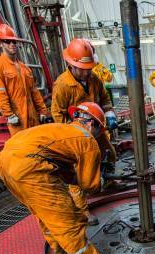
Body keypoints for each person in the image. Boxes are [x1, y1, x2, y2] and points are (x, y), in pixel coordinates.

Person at [0, 102, 124, 254]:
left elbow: (65, 173)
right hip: (30, 169)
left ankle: (60, 251)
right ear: (93, 125)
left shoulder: (61, 131)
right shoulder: (87, 140)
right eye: (100, 130)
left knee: (46, 214)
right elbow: (90, 186)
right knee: (67, 221)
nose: (99, 135)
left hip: (5, 163)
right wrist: (102, 180)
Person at [51, 39, 118, 226]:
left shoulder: (94, 79)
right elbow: (57, 113)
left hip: (96, 129)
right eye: (84, 68)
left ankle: (109, 182)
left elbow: (104, 99)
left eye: (89, 67)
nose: (88, 71)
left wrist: (110, 113)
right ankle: (82, 210)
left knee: (110, 154)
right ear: (71, 65)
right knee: (78, 173)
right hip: (77, 137)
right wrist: (70, 135)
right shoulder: (62, 85)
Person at [0, 24, 48, 136]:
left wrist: (42, 110)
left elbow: (34, 92)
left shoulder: (24, 68)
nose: (12, 44)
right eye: (7, 41)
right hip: (17, 119)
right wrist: (9, 115)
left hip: (32, 117)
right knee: (22, 148)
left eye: (14, 41)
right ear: (0, 43)